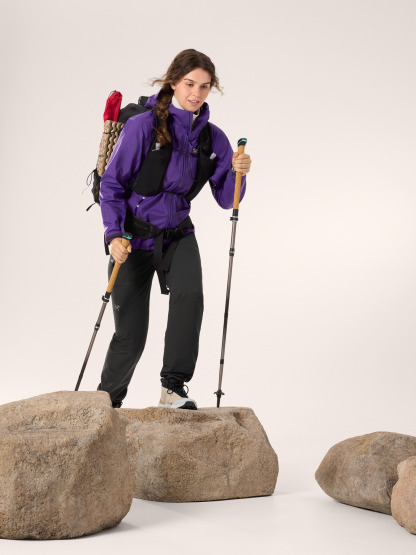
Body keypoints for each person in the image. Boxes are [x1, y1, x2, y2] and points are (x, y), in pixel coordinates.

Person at [97, 49, 252, 410]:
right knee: (131, 334)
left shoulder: (213, 139)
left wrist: (238, 173)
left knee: (190, 299)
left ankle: (172, 388)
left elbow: (226, 199)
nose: (196, 93)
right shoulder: (143, 126)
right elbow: (112, 184)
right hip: (132, 237)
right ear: (173, 82)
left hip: (178, 234)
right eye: (189, 84)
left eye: (204, 86)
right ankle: (107, 403)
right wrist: (113, 234)